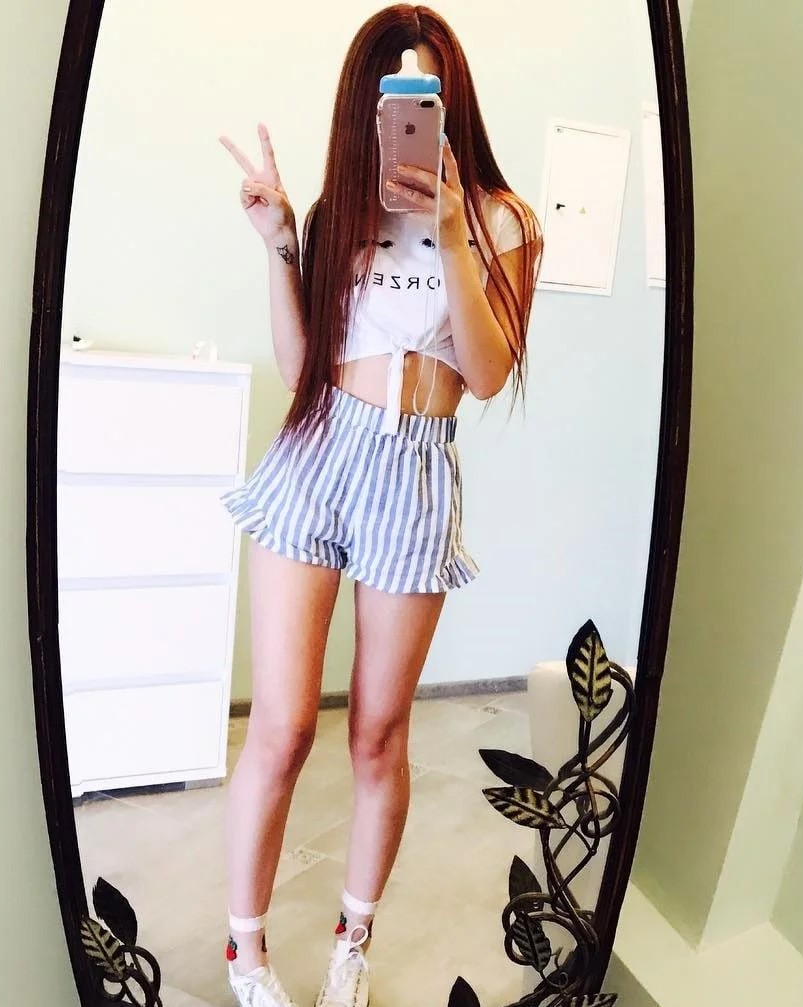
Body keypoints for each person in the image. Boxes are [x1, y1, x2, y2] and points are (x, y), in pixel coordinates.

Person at [217, 5, 542, 1006]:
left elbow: (485, 375)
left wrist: (448, 232)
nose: (402, 113)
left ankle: (350, 941)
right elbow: (299, 367)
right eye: (386, 96)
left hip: (413, 465)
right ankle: (245, 954)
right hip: (320, 449)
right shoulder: (339, 212)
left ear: (450, 100)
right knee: (281, 727)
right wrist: (280, 245)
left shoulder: (501, 221)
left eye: (421, 94)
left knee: (375, 731)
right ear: (361, 107)